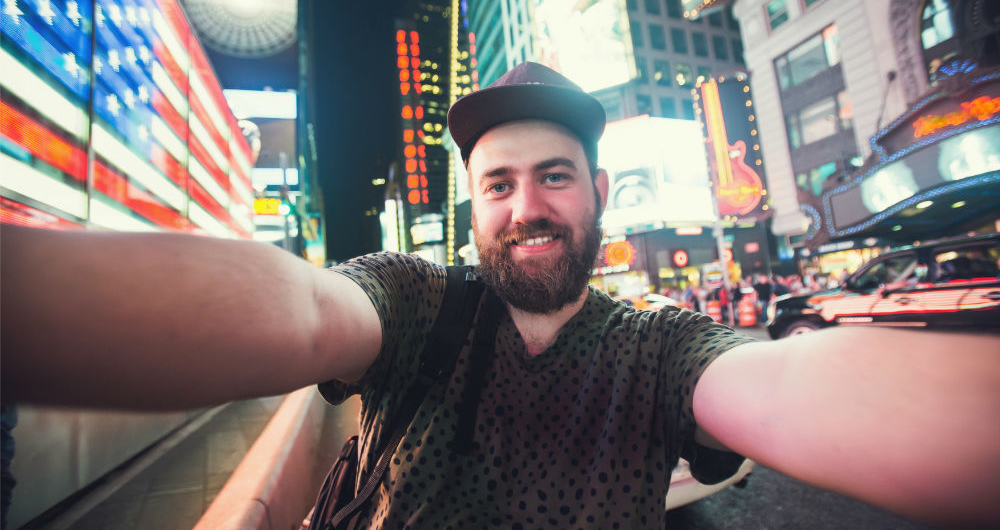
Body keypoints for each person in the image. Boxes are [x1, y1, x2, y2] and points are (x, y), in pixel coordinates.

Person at [1, 62, 998, 529]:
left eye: (555, 177)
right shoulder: (412, 302)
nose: (528, 207)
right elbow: (302, 310)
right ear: (473, 205)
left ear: (599, 193)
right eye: (498, 183)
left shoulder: (661, 346)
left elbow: (786, 384)